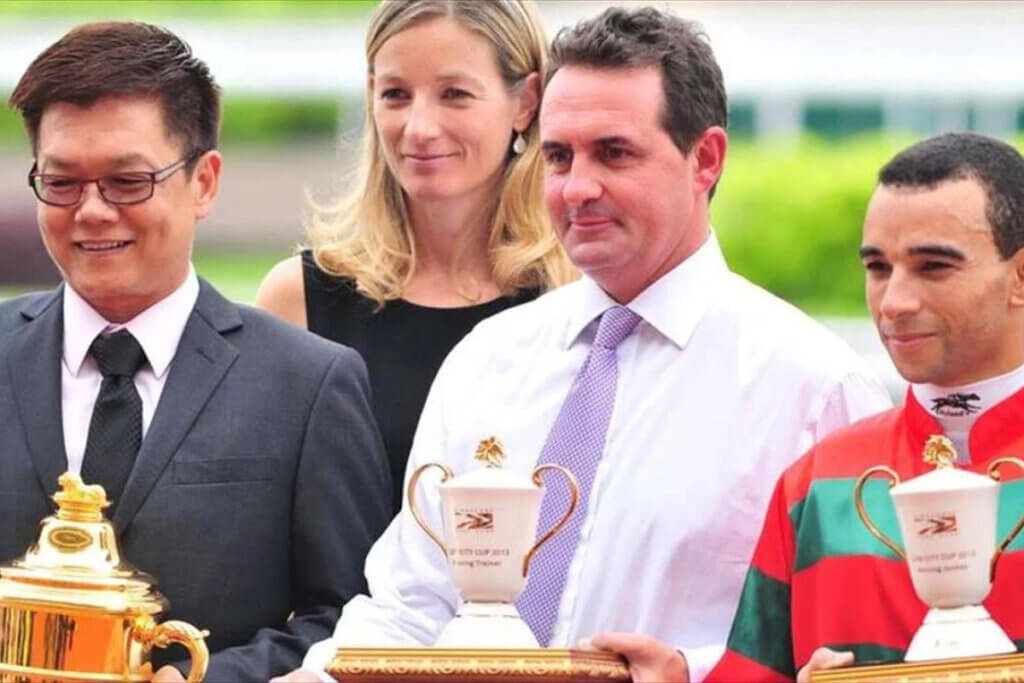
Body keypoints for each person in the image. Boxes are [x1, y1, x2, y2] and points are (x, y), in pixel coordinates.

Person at [279, 7, 892, 683]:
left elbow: (855, 644)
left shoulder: (813, 387)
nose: (578, 188)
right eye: (559, 157)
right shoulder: (488, 359)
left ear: (706, 159)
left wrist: (694, 670)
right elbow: (408, 606)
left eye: (615, 153)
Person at [0, 21, 392, 682]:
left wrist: (200, 677)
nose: (92, 211)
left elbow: (355, 621)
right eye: (62, 182)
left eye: (127, 182)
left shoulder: (307, 383)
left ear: (204, 181)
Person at [708, 132, 1024, 682]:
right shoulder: (812, 485)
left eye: (933, 267)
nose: (894, 303)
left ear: (1020, 277)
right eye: (878, 268)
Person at [255, 0, 575, 514]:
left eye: (455, 95)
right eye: (396, 94)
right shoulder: (298, 301)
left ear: (526, 101)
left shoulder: (578, 296)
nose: (419, 127)